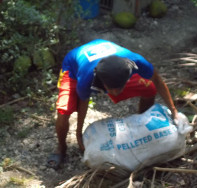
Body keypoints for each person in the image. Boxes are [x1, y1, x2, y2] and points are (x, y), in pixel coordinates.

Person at [49, 39, 179, 169]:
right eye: (110, 89)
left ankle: (142, 124)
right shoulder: (86, 78)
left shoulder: (137, 63)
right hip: (72, 68)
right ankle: (61, 147)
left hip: (110, 64)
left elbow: (157, 80)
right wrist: (78, 133)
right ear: (101, 81)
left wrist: (173, 111)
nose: (115, 93)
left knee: (149, 89)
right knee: (63, 110)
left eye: (119, 88)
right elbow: (83, 102)